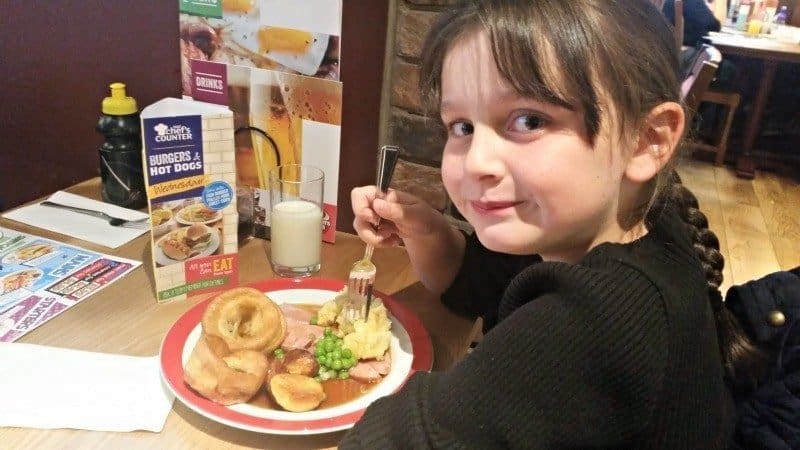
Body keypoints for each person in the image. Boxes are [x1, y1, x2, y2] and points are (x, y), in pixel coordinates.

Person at [340, 0, 762, 448]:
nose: (477, 162)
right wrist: (423, 229)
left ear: (647, 140)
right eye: (461, 126)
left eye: (529, 120)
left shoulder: (593, 321)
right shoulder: (637, 220)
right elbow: (478, 285)